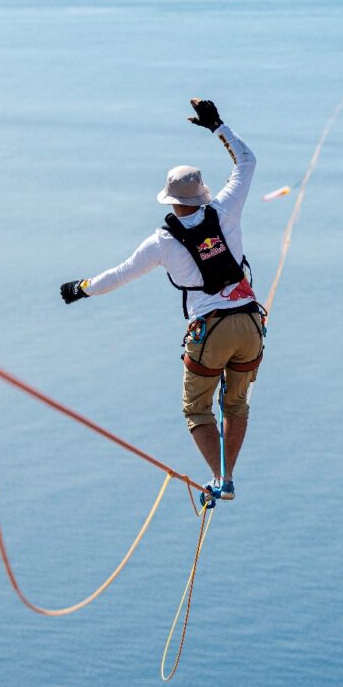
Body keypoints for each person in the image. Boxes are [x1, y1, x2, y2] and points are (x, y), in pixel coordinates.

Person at [60, 98, 264, 503]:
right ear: (202, 195)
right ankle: (228, 478)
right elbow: (247, 162)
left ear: (170, 201)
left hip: (212, 331)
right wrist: (217, 126)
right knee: (236, 404)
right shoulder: (225, 211)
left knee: (197, 411)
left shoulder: (163, 242)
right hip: (250, 323)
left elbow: (118, 275)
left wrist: (80, 288)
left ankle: (222, 479)